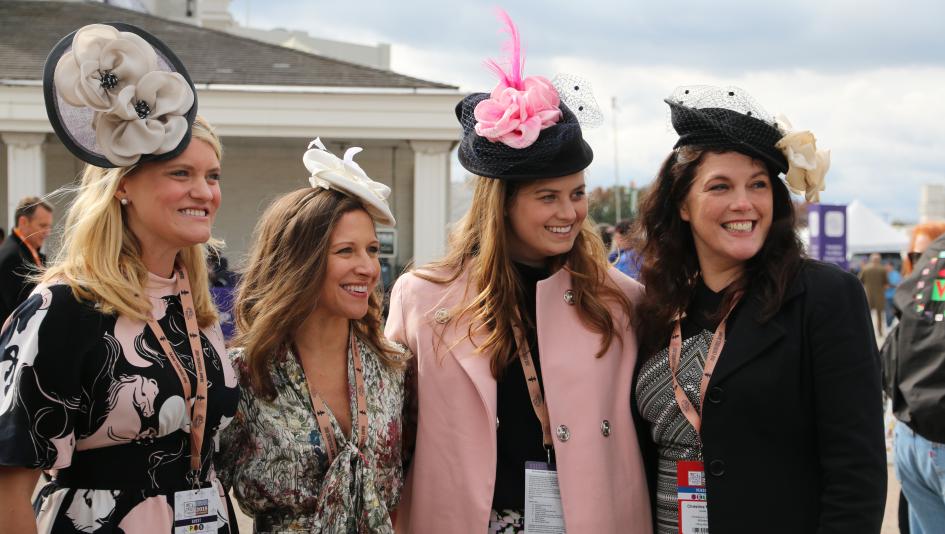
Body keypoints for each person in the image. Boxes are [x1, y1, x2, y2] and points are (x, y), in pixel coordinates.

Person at [384, 12, 651, 533]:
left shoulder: (621, 299)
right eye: (547, 197)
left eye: (577, 194)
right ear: (501, 204)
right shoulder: (422, 297)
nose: (569, 212)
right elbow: (395, 429)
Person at [0, 23, 238, 533]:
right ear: (123, 186)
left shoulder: (196, 306)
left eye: (212, 175)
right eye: (181, 173)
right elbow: (6, 493)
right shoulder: (63, 307)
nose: (205, 192)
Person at [633, 85, 886, 533]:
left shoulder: (824, 297)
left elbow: (857, 473)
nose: (744, 203)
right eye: (720, 186)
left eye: (758, 185)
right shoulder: (656, 305)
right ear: (682, 205)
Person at [218, 139, 409, 533]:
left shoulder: (394, 366)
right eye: (346, 251)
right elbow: (210, 491)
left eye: (372, 250)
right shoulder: (245, 373)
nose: (368, 267)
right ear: (300, 261)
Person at [0, 197, 53, 323]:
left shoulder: (28, 253)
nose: (48, 232)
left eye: (49, 226)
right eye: (43, 226)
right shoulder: (12, 257)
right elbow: (21, 310)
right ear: (23, 222)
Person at [860, 253, 889, 336]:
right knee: (879, 315)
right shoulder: (882, 269)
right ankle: (880, 332)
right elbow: (886, 283)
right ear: (879, 260)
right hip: (880, 295)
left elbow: (860, 280)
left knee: (867, 315)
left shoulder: (865, 268)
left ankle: (866, 332)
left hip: (868, 295)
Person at [885, 262, 901, 327]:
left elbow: (898, 284)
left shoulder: (896, 274)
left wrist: (889, 285)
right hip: (886, 296)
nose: (886, 267)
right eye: (886, 266)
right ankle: (888, 325)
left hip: (894, 296)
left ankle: (890, 323)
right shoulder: (885, 274)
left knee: (894, 311)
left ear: (892, 266)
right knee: (888, 312)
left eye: (888, 266)